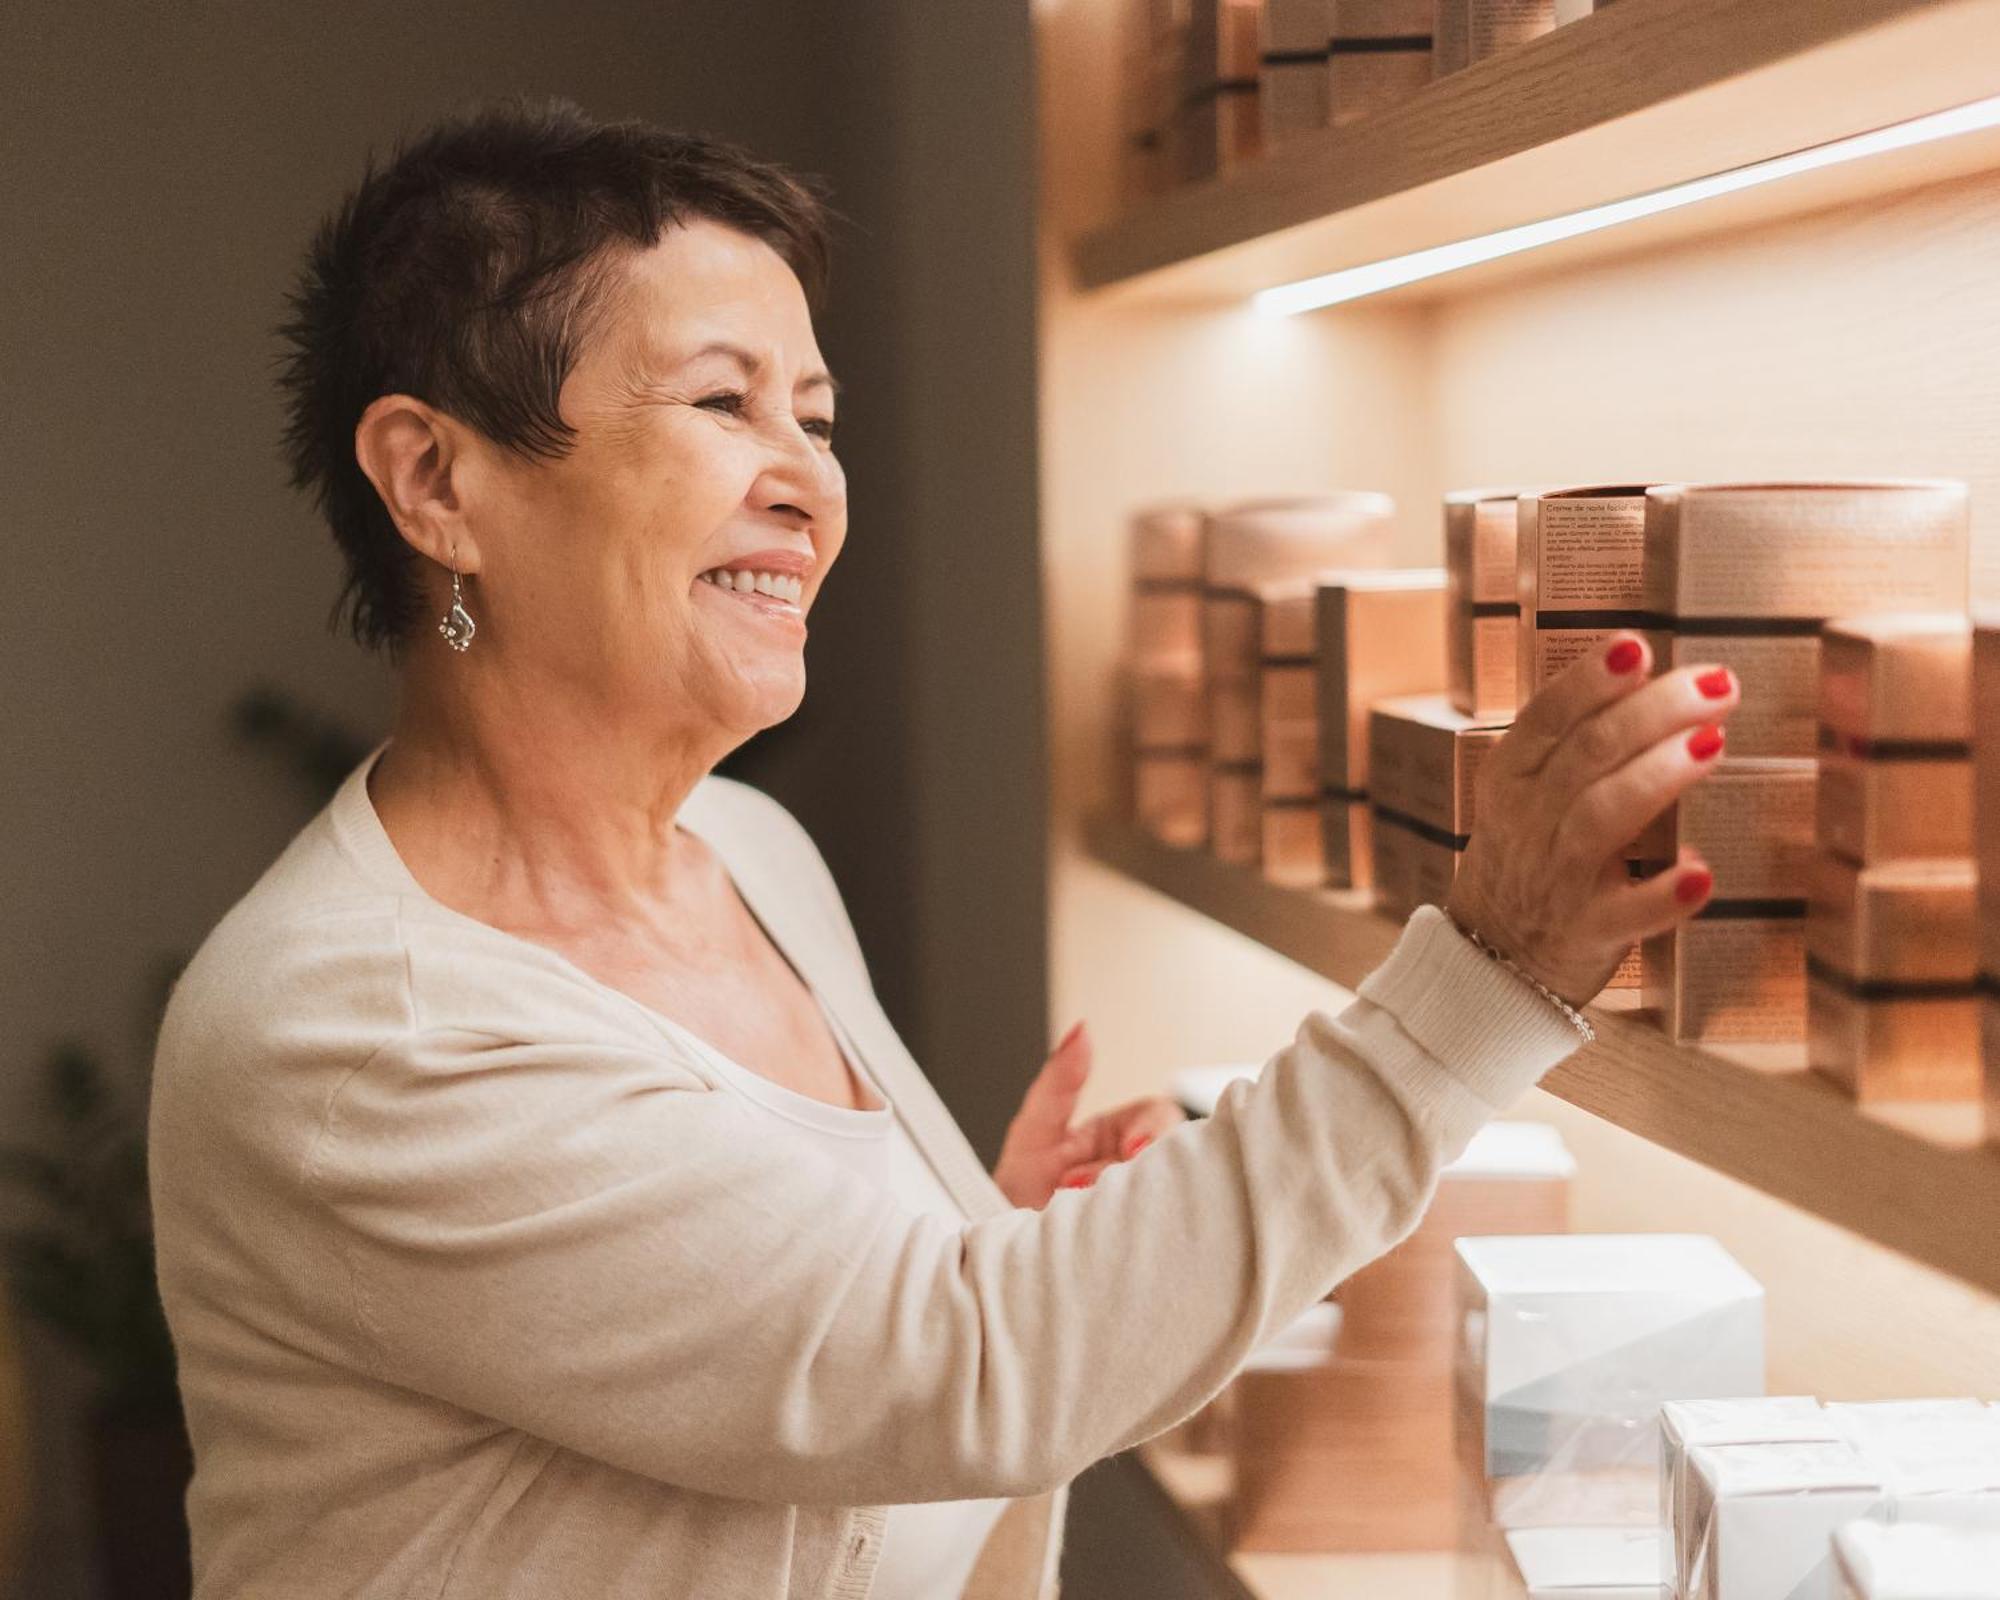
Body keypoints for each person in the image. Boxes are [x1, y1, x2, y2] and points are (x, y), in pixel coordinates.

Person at [146, 94, 1740, 1600]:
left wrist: (987, 1243)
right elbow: (972, 1370)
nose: (812, 488)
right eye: (722, 402)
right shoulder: (356, 1035)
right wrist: (1482, 981)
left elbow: (884, 1389)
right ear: (436, 478)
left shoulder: (748, 850)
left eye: (817, 419)